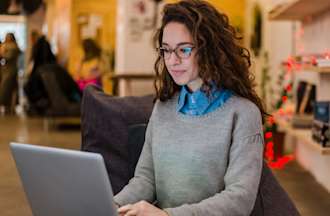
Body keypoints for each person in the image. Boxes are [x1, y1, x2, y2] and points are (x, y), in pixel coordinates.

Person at [114, 1, 267, 216]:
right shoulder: (163, 108)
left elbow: (239, 199)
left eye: (183, 50)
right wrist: (113, 205)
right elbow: (146, 180)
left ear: (209, 50)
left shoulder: (243, 113)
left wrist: (168, 215)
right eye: (166, 50)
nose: (172, 60)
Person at [0, 33, 21, 113]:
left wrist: (2, 53)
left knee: (6, 88)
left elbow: (7, 57)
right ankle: (8, 105)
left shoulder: (13, 47)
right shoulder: (6, 46)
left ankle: (8, 104)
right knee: (10, 88)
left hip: (10, 70)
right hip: (7, 70)